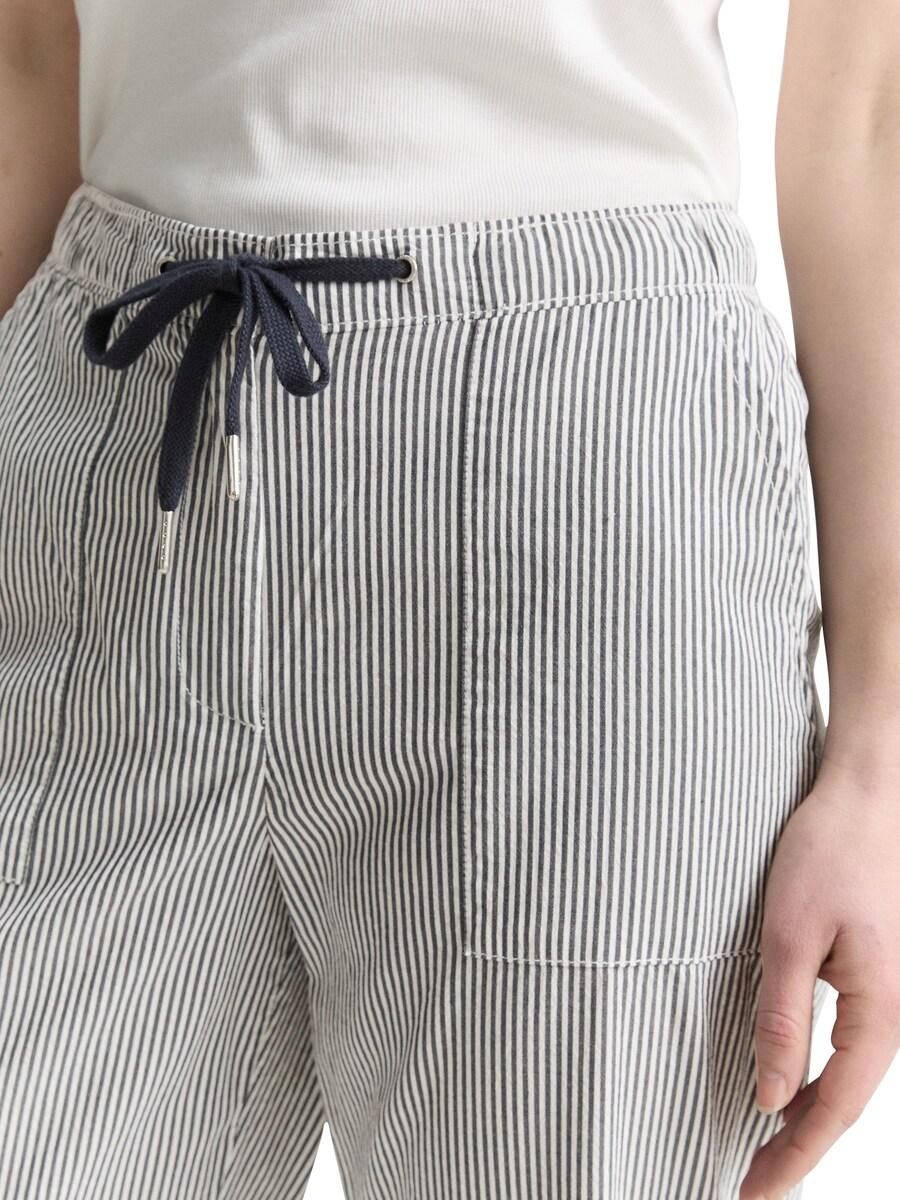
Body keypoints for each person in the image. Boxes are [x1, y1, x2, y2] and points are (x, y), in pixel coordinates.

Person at [0, 1, 897, 1197]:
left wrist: (882, 753)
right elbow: (31, 51)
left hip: (581, 506)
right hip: (116, 427)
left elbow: (868, 117)